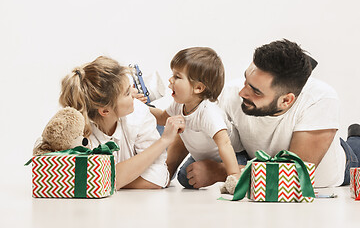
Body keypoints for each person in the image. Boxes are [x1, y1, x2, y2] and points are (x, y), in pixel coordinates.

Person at [166, 39, 359, 188]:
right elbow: (192, 122)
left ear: (286, 100)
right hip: (258, 165)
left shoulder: (321, 100)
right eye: (245, 81)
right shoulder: (233, 93)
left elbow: (296, 174)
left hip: (338, 170)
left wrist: (221, 172)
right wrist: (166, 173)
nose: (242, 93)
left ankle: (355, 139)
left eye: (256, 91)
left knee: (356, 149)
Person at [59, 56, 185, 190]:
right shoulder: (79, 136)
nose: (135, 92)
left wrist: (165, 140)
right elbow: (88, 180)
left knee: (168, 173)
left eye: (130, 88)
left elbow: (160, 177)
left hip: (146, 127)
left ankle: (177, 141)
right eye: (126, 93)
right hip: (140, 142)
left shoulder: (139, 111)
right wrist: (112, 180)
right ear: (105, 111)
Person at [150, 47, 240, 189]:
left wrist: (233, 175)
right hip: (202, 156)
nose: (170, 79)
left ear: (198, 88)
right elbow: (161, 118)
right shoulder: (179, 105)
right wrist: (139, 106)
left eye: (177, 77)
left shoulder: (208, 112)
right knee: (184, 178)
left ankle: (239, 173)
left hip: (232, 155)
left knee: (232, 172)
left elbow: (225, 144)